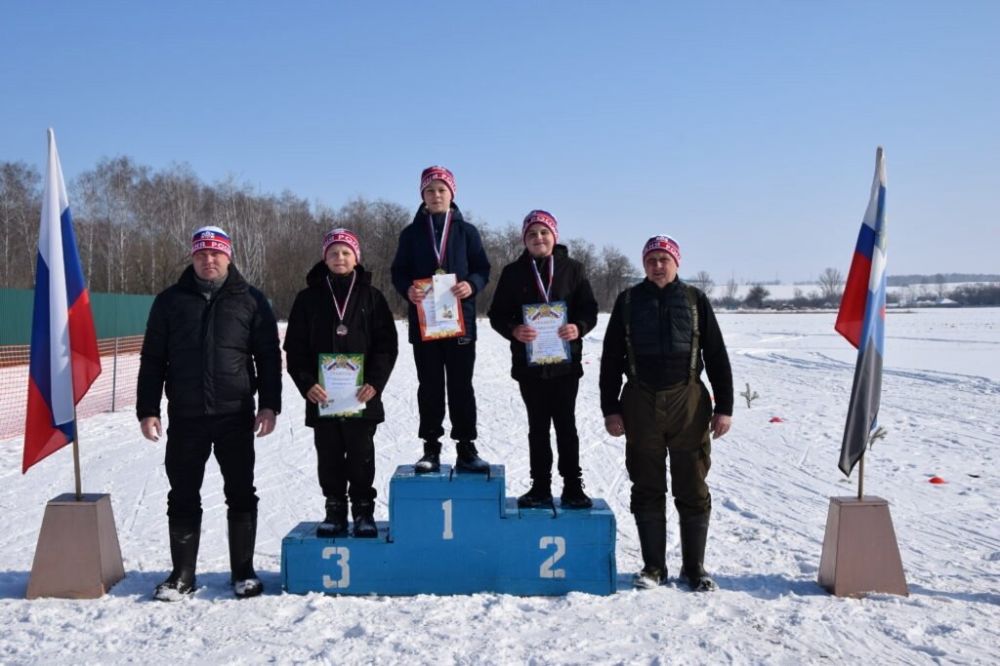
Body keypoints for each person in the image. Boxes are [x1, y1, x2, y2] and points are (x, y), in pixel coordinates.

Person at [137, 226, 281, 601]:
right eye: (201, 254)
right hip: (186, 415)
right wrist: (147, 409)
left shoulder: (250, 299)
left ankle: (243, 572)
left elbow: (267, 356)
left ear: (229, 256)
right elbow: (153, 359)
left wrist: (269, 403)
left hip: (235, 413)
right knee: (182, 492)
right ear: (192, 257)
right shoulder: (170, 301)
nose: (209, 260)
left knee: (240, 491)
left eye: (216, 253)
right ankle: (182, 575)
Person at [599, 235, 733, 591]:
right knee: (647, 484)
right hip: (640, 401)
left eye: (664, 259)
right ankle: (653, 567)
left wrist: (725, 408)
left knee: (692, 483)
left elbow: (717, 355)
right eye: (651, 260)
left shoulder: (693, 300)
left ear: (676, 262)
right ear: (644, 265)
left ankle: (695, 568)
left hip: (687, 401)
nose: (658, 266)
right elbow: (610, 359)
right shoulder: (629, 301)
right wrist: (610, 409)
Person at [284, 228, 398, 538]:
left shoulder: (372, 297)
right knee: (329, 455)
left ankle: (363, 511)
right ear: (325, 257)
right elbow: (294, 349)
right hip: (323, 396)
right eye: (334, 252)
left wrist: (375, 382)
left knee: (361, 455)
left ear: (356, 258)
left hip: (362, 395)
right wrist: (307, 384)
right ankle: (335, 510)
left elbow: (387, 345)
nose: (340, 258)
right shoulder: (307, 299)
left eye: (346, 252)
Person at [488, 210, 598, 509]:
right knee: (537, 427)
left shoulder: (573, 269)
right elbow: (497, 314)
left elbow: (589, 309)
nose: (539, 238)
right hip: (530, 366)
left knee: (566, 425)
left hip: (564, 364)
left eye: (544, 232)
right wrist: (514, 329)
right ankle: (540, 487)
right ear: (525, 239)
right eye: (532, 234)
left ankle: (573, 487)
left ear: (554, 236)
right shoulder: (513, 272)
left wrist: (579, 328)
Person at [390, 165, 491, 473]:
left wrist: (471, 284)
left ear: (452, 194)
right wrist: (407, 289)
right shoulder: (410, 234)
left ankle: (466, 448)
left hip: (460, 321)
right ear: (422, 195)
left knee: (462, 385)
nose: (436, 195)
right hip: (426, 322)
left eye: (441, 190)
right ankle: (430, 448)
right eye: (430, 190)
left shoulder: (466, 231)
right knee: (430, 386)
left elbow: (483, 269)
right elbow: (398, 272)